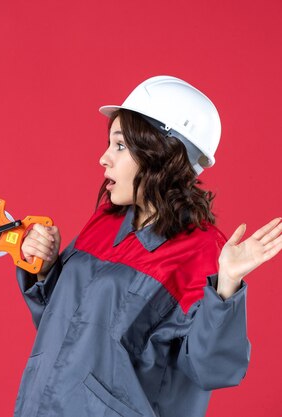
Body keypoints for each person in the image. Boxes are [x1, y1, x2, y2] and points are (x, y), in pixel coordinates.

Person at [15, 76, 282, 417]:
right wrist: (46, 267)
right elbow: (66, 326)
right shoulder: (105, 221)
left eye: (120, 146)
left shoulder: (201, 252)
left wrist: (226, 287)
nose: (103, 158)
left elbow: (212, 370)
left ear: (161, 154)